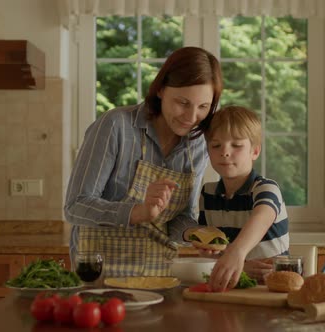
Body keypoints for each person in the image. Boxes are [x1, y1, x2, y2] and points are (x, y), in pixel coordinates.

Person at [64, 46, 223, 278]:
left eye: (203, 107)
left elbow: (180, 216)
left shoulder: (196, 145)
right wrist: (138, 212)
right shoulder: (115, 126)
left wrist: (195, 234)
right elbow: (75, 206)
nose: (191, 117)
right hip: (100, 275)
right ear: (160, 90)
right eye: (183, 102)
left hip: (159, 276)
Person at [185, 105, 289, 292]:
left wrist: (236, 254)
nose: (225, 152)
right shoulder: (208, 194)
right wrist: (226, 261)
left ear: (255, 152)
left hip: (270, 289)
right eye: (216, 145)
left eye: (237, 145)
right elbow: (214, 254)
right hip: (232, 289)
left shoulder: (265, 187)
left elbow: (262, 217)